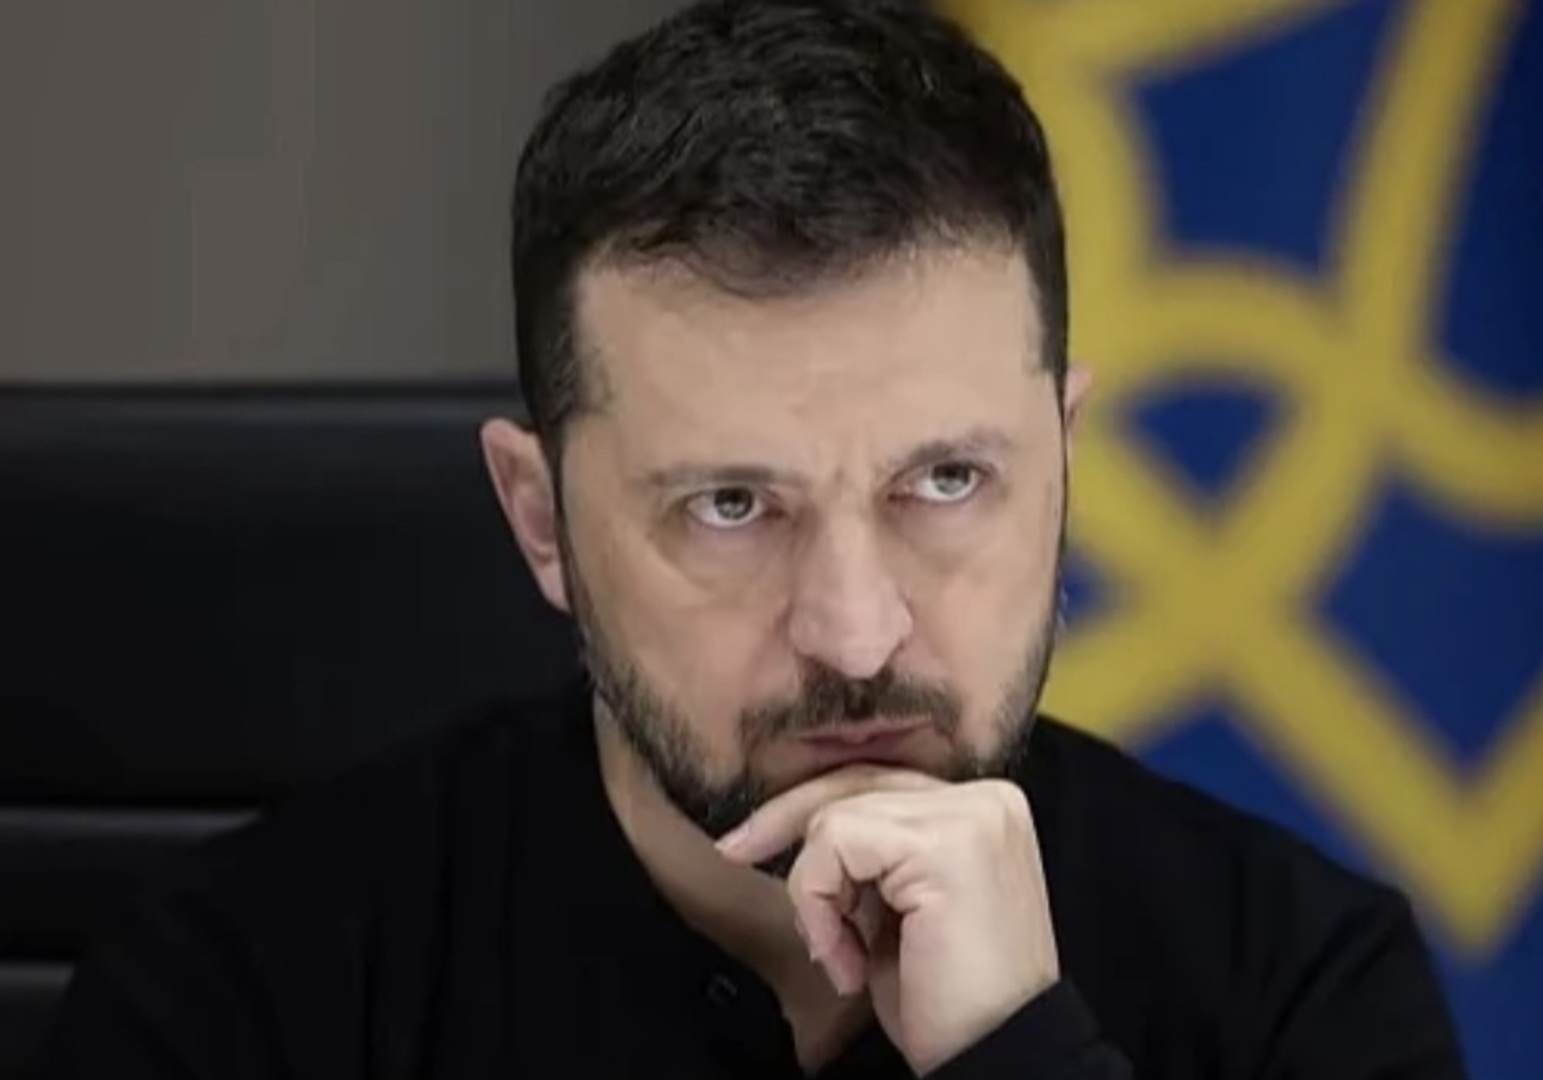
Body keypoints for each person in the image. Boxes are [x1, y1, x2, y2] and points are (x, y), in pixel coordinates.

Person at [32, 1, 1467, 1077]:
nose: (856, 634)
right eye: (731, 506)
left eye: (947, 481)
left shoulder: (1298, 985)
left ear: (1065, 464)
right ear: (540, 521)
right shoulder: (238, 993)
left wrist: (1016, 1060)